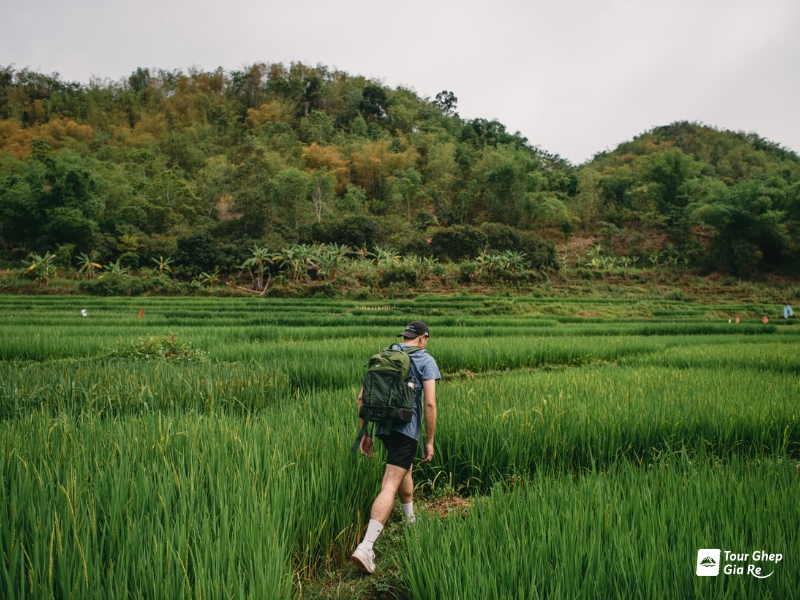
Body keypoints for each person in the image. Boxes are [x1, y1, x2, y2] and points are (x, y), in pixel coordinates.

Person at [351, 320, 441, 574]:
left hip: (382, 428)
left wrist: (364, 434)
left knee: (404, 470)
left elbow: (361, 398)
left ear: (405, 336)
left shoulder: (385, 354)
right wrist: (429, 440)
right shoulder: (425, 360)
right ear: (423, 338)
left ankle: (410, 521)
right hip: (406, 430)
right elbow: (431, 404)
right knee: (390, 482)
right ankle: (366, 547)